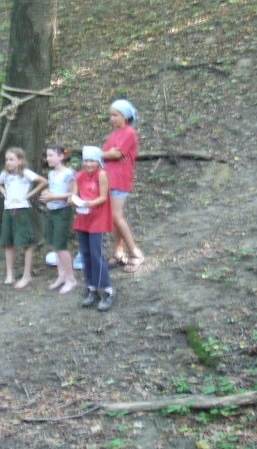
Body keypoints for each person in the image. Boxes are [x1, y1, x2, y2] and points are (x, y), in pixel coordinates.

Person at [70, 145, 116, 312]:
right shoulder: (79, 175)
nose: (88, 164)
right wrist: (73, 200)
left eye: (92, 161)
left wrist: (88, 203)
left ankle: (107, 289)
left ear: (98, 162)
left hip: (97, 217)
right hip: (83, 217)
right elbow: (74, 194)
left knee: (97, 254)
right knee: (85, 253)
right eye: (86, 160)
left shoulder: (102, 174)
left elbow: (103, 197)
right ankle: (91, 287)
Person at [102, 99, 145, 273]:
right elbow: (108, 153)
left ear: (125, 116)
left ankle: (136, 253)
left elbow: (116, 154)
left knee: (116, 216)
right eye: (110, 115)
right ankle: (119, 253)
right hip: (109, 179)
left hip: (120, 179)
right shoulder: (114, 134)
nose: (112, 118)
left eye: (115, 115)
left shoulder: (129, 133)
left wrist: (98, 154)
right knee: (112, 219)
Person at [0, 147, 48, 289]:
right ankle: (9, 273)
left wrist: (30, 194)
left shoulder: (25, 173)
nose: (8, 162)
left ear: (20, 161)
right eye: (7, 159)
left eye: (12, 159)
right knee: (8, 243)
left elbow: (43, 181)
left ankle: (26, 275)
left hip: (22, 210)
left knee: (26, 243)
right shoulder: (4, 174)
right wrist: (3, 191)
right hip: (8, 210)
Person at [39, 145, 77, 295]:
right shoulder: (51, 174)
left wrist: (54, 197)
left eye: (51, 155)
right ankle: (61, 276)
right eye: (47, 156)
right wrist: (47, 195)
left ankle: (71, 279)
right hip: (52, 210)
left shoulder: (68, 173)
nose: (48, 158)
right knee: (55, 245)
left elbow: (73, 193)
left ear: (61, 157)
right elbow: (53, 191)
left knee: (61, 246)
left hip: (63, 211)